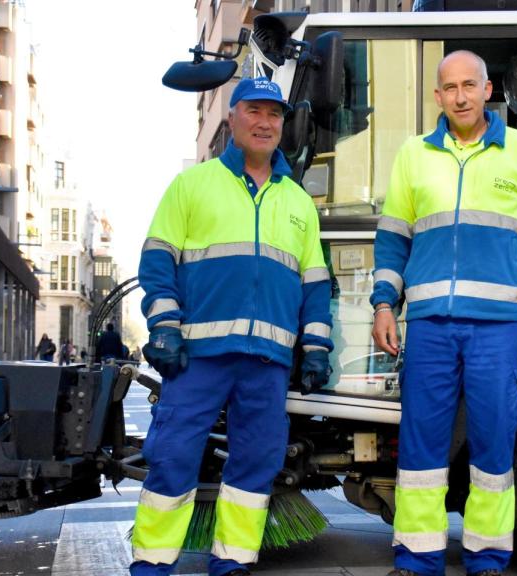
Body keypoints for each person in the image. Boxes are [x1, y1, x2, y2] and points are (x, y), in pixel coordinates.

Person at [371, 51, 517, 576]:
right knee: (420, 443)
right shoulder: (413, 155)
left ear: (488, 91)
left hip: (497, 328)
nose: (460, 96)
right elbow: (393, 239)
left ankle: (488, 556)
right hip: (431, 326)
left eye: (470, 85)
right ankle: (417, 556)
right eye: (449, 87)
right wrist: (382, 305)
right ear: (437, 97)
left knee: (492, 443)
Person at [131, 78, 333, 576]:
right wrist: (164, 327)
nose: (265, 123)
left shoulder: (298, 201)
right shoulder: (192, 185)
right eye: (255, 112)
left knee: (256, 463)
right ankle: (153, 564)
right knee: (174, 455)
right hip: (198, 355)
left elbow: (315, 285)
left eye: (275, 115)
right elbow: (157, 263)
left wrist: (317, 347)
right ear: (233, 118)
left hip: (267, 361)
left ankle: (233, 563)